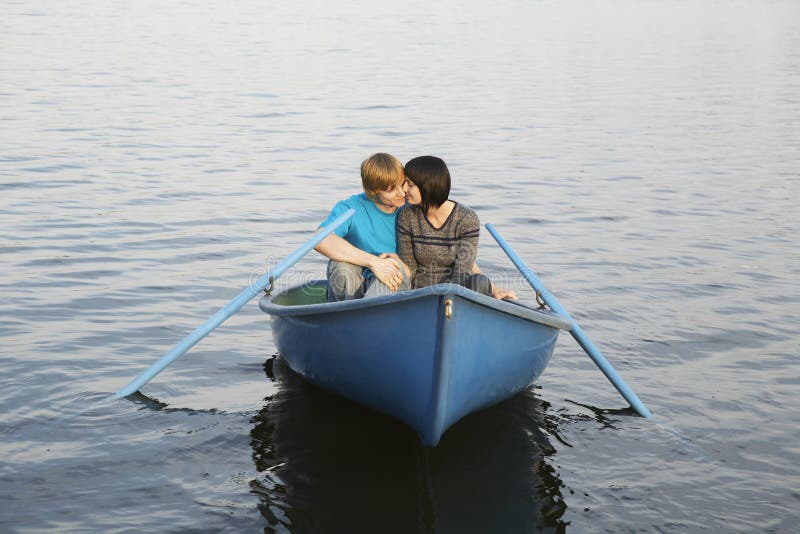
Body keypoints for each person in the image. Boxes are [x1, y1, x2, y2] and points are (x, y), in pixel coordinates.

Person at [314, 153, 411, 301]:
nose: (401, 193)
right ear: (374, 190)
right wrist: (374, 262)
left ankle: (369, 314)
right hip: (357, 281)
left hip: (396, 285)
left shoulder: (411, 206)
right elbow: (320, 238)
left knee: (392, 266)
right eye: (391, 189)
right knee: (341, 266)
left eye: (402, 183)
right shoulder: (351, 207)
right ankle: (348, 316)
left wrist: (385, 266)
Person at [397, 156, 496, 296]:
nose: (404, 189)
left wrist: (446, 299)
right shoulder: (407, 215)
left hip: (458, 294)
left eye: (410, 184)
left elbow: (462, 271)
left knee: (480, 281)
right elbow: (411, 268)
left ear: (427, 186)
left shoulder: (466, 219)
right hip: (420, 295)